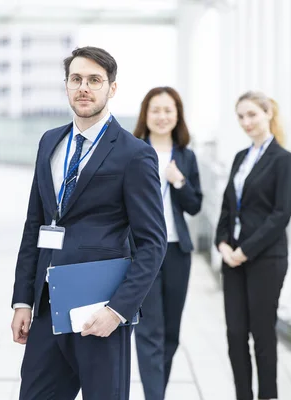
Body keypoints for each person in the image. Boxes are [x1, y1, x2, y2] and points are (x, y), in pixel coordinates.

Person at [10, 46, 167, 400]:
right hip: (47, 307)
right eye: (76, 79)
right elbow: (35, 223)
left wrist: (118, 311)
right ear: (66, 85)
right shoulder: (50, 142)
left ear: (111, 88)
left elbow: (153, 244)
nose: (84, 87)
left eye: (94, 80)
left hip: (100, 312)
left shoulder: (134, 154)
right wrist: (22, 299)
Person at [215, 91, 291, 400]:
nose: (246, 122)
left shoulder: (284, 160)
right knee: (235, 334)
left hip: (265, 258)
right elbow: (227, 206)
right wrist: (222, 243)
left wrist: (245, 250)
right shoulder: (241, 157)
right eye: (240, 116)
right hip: (232, 257)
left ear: (268, 114)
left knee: (262, 335)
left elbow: (281, 214)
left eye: (252, 115)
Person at [132, 87, 203, 400]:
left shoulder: (186, 157)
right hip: (142, 253)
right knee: (149, 332)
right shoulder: (132, 151)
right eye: (155, 110)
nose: (162, 117)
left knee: (171, 332)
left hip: (177, 252)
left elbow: (195, 205)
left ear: (178, 116)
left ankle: (156, 392)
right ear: (145, 115)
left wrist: (179, 181)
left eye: (168, 110)